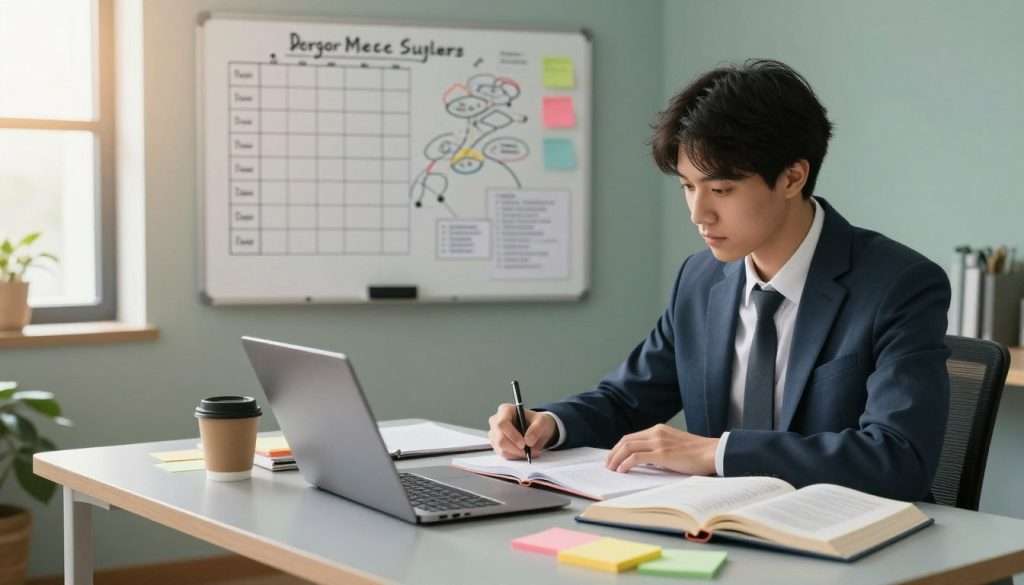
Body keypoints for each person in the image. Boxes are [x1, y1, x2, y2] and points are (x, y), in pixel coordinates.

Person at [486, 59, 950, 501]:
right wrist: (550, 422)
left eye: (721, 190)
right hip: (723, 535)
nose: (698, 213)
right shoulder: (700, 279)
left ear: (792, 177)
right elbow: (629, 399)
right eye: (688, 186)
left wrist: (717, 453)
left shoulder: (899, 285)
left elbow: (898, 458)